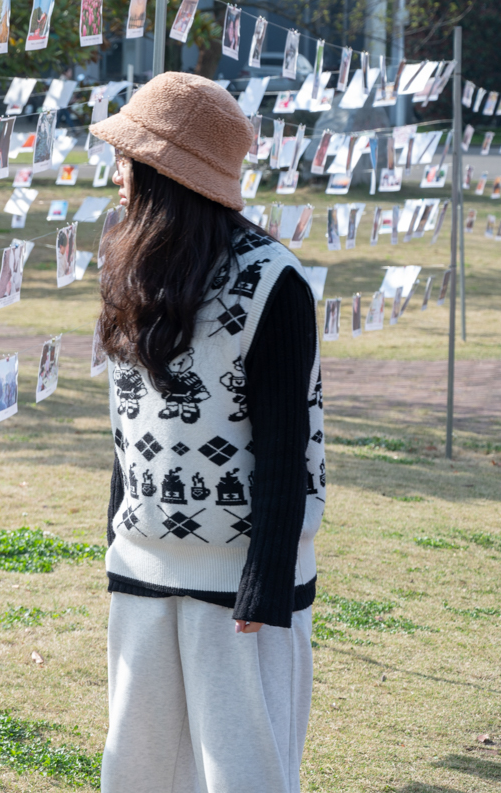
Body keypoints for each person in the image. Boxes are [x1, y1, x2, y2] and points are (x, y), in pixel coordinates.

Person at [90, 73, 323, 793]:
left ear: (165, 173)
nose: (117, 174)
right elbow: (128, 422)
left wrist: (266, 583)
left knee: (240, 770)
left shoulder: (273, 282)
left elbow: (288, 444)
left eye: (127, 159)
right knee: (139, 767)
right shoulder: (128, 266)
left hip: (240, 581)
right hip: (142, 563)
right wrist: (115, 535)